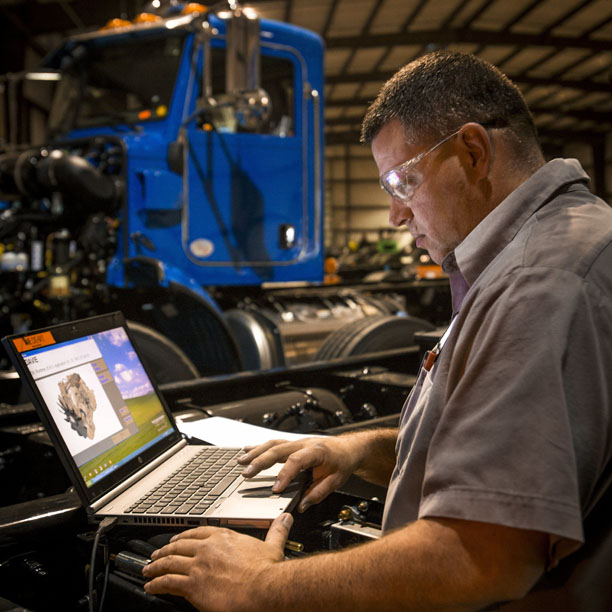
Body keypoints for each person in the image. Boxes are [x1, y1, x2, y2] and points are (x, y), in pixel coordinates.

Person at [142, 51, 612, 611]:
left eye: (400, 181)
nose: (394, 214)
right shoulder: (559, 244)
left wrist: (257, 587)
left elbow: (480, 557)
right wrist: (361, 449)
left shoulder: (540, 284)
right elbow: (494, 457)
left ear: (473, 151)